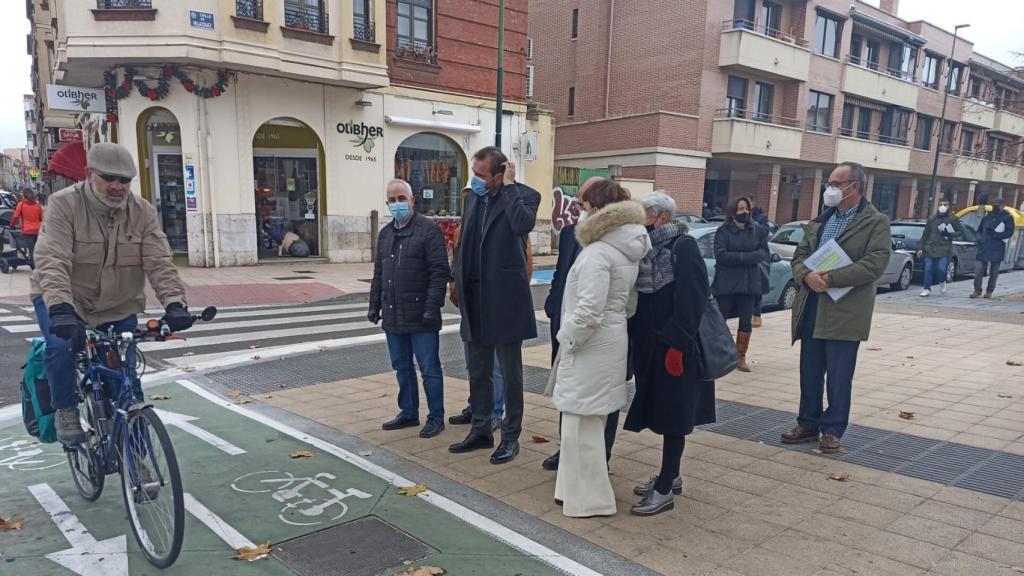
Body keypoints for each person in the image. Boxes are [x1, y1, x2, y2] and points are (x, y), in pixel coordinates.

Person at [32, 142, 192, 445]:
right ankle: (65, 409)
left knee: (126, 382)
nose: (118, 186)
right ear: (90, 174)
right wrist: (62, 309)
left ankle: (138, 460)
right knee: (59, 346)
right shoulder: (64, 204)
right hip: (67, 300)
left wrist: (174, 302)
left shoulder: (141, 211)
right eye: (110, 178)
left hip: (118, 305)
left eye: (125, 180)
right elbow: (52, 260)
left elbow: (158, 259)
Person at [549, 179, 649, 517]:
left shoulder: (598, 252)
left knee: (582, 426)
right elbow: (629, 304)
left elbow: (588, 311)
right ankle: (572, 491)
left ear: (595, 208)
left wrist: (568, 338)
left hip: (590, 347)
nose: (577, 210)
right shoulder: (624, 248)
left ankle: (591, 499)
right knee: (583, 423)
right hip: (609, 342)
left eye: (581, 204)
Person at [782, 162, 890, 454]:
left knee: (840, 375)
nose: (829, 189)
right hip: (812, 305)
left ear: (854, 187)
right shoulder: (820, 221)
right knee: (810, 370)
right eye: (828, 184)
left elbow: (875, 263)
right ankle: (808, 423)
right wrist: (807, 276)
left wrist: (830, 278)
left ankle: (832, 430)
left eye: (835, 183)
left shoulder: (875, 222)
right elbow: (799, 258)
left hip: (845, 309)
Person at [449, 148, 540, 465]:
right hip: (474, 298)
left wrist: (511, 188)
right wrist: (455, 277)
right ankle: (480, 430)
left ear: (501, 174)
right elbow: (465, 239)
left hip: (504, 301)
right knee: (478, 371)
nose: (475, 180)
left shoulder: (525, 196)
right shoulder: (474, 197)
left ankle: (510, 438)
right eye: (474, 173)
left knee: (511, 375)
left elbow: (521, 226)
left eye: (482, 175)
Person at [624, 191, 713, 516]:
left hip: (676, 348)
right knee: (662, 410)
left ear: (661, 217)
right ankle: (670, 474)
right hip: (651, 346)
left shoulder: (683, 246)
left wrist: (677, 344)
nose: (639, 219)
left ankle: (664, 489)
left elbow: (695, 297)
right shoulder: (645, 249)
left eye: (643, 213)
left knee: (675, 415)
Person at [541, 177, 626, 472]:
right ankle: (567, 449)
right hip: (567, 330)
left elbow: (604, 303)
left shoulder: (614, 244)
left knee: (602, 402)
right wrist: (554, 307)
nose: (577, 210)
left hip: (591, 337)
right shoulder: (569, 235)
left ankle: (600, 458)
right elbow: (560, 275)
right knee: (568, 396)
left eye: (582, 204)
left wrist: (570, 332)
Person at [368, 179, 451, 438]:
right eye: (392, 200)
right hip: (393, 314)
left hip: (422, 316)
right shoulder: (385, 234)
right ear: (386, 204)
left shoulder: (428, 230)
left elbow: (440, 273)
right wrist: (374, 305)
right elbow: (379, 272)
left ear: (413, 200)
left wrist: (431, 307)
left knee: (429, 369)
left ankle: (436, 417)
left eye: (401, 198)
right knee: (401, 367)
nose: (397, 204)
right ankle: (408, 413)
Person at [712, 197, 769, 373]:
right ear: (732, 211)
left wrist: (739, 257)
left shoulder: (757, 231)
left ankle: (740, 357)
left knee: (746, 322)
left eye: (746, 209)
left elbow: (763, 253)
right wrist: (747, 257)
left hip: (749, 283)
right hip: (726, 283)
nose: (744, 212)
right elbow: (721, 255)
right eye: (740, 209)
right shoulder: (723, 231)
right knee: (720, 321)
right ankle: (719, 355)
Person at [917, 197, 964, 297]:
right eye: (940, 204)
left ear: (949, 206)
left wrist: (950, 234)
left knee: (941, 269)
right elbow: (925, 234)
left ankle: (942, 281)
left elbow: (960, 232)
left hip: (944, 248)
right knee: (928, 268)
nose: (942, 206)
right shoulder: (932, 218)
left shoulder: (953, 218)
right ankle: (926, 288)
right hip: (930, 247)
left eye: (945, 204)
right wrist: (920, 248)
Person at [971, 197, 1015, 299]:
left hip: (997, 247)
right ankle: (977, 290)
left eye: (997, 205)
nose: (995, 206)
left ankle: (989, 291)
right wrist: (979, 239)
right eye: (993, 204)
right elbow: (980, 230)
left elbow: (1009, 232)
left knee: (994, 272)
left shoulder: (1007, 217)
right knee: (978, 270)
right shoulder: (987, 217)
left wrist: (997, 235)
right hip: (983, 247)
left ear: (1002, 206)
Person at [750, 204, 771, 328]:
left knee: (757, 287)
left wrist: (752, 223)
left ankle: (756, 315)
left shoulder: (761, 218)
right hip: (747, 256)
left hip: (759, 260)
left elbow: (764, 232)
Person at [11, 187, 43, 261]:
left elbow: (15, 217)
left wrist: (12, 225)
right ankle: (40, 264)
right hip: (38, 230)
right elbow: (41, 218)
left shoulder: (21, 204)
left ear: (24, 195)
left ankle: (34, 266)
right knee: (38, 249)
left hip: (27, 231)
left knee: (31, 249)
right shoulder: (37, 205)